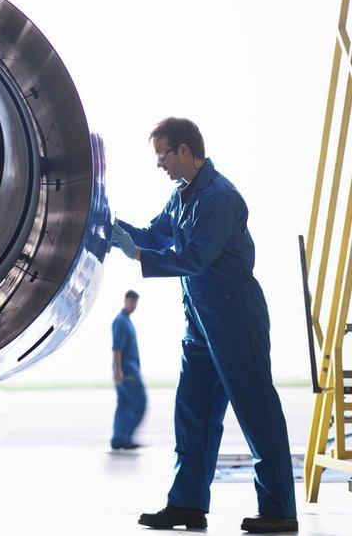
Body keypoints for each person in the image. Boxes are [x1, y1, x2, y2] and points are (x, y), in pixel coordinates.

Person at [111, 118, 296, 534]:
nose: (159, 164)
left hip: (234, 317)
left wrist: (136, 256)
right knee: (193, 414)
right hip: (199, 322)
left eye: (163, 154)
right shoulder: (182, 196)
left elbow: (194, 258)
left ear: (184, 151)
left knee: (256, 412)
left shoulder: (220, 198)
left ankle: (280, 510)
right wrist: (110, 226)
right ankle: (187, 505)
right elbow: (154, 237)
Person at [111, 290, 146, 451]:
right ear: (125, 301)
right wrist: (118, 370)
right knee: (139, 401)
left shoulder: (126, 320)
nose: (133, 305)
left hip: (128, 368)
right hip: (126, 369)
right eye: (131, 302)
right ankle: (124, 437)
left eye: (135, 303)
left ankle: (120, 438)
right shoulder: (121, 322)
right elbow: (117, 349)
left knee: (124, 403)